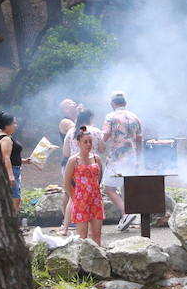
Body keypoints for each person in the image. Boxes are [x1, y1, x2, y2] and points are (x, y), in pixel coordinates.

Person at [101, 91, 143, 231]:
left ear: (112, 104)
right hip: (132, 159)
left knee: (109, 188)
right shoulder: (135, 117)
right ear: (125, 103)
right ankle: (129, 218)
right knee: (126, 187)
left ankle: (126, 213)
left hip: (117, 158)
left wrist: (98, 144)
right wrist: (139, 158)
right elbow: (139, 140)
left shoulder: (110, 117)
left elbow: (105, 136)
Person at [59, 107, 98, 234]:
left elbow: (65, 152)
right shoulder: (95, 131)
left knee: (73, 197)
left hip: (74, 168)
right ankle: (89, 229)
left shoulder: (71, 132)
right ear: (90, 119)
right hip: (91, 168)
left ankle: (65, 227)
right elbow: (103, 148)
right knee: (82, 199)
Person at [65, 127, 105, 245]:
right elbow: (66, 182)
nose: (88, 144)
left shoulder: (96, 158)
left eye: (90, 142)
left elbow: (99, 177)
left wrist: (97, 189)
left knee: (97, 235)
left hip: (95, 199)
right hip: (81, 199)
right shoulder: (73, 160)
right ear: (78, 143)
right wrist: (74, 197)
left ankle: (99, 259)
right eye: (85, 142)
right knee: (82, 236)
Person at [0, 112, 32, 216]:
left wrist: (24, 161)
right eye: (14, 123)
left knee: (15, 198)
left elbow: (12, 157)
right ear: (7, 125)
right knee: (14, 199)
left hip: (14, 170)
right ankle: (11, 223)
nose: (15, 125)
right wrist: (10, 176)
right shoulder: (6, 139)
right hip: (11, 171)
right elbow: (6, 158)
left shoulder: (6, 137)